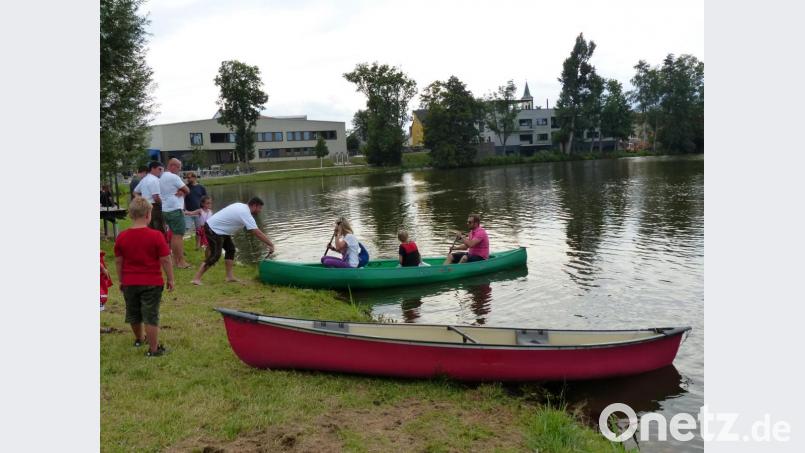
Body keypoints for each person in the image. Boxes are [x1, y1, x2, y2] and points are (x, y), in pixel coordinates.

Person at [113, 197, 175, 357]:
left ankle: (139, 338)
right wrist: (170, 278)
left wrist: (121, 280)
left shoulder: (122, 237)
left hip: (130, 282)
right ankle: (154, 350)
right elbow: (166, 259)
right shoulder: (156, 236)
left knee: (133, 312)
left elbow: (119, 261)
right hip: (151, 282)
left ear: (131, 215)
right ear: (148, 214)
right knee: (150, 315)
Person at [191, 197, 275, 285]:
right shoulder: (245, 213)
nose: (260, 210)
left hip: (221, 230)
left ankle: (229, 277)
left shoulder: (241, 206)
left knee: (230, 250)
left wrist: (266, 243)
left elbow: (253, 231)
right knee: (215, 255)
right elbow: (257, 232)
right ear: (254, 205)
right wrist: (270, 244)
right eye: (260, 208)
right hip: (214, 229)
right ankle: (196, 279)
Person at [160, 158, 191, 268]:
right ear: (172, 166)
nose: (179, 170)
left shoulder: (162, 176)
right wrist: (183, 190)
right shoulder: (173, 177)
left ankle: (174, 260)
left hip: (166, 209)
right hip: (175, 209)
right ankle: (181, 262)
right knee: (178, 236)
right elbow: (187, 190)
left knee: (174, 235)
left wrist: (181, 190)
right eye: (179, 167)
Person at [133, 161, 165, 234]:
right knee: (159, 230)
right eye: (159, 169)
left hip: (146, 206)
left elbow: (135, 192)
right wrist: (164, 205)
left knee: (149, 229)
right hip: (155, 207)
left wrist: (143, 201)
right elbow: (156, 197)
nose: (161, 171)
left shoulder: (144, 179)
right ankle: (160, 244)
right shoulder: (154, 180)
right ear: (153, 169)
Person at [183, 171, 207, 250]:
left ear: (194, 177)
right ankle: (181, 247)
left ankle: (197, 246)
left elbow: (205, 200)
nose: (188, 179)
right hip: (187, 213)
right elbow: (182, 199)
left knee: (198, 230)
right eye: (187, 178)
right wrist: (183, 209)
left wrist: (205, 210)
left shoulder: (201, 188)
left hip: (199, 212)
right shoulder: (185, 187)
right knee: (184, 229)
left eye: (189, 177)